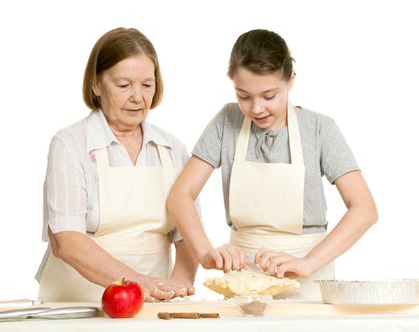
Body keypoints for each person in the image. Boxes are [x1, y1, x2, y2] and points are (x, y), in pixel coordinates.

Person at [167, 29, 378, 300]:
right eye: (243, 96)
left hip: (308, 283)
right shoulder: (226, 122)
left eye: (269, 96)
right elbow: (180, 196)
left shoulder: (319, 129)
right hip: (243, 282)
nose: (256, 108)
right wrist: (206, 253)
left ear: (291, 79)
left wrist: (308, 263)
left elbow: (365, 209)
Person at [36, 27, 199, 302]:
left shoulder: (173, 149)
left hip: (152, 305)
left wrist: (178, 285)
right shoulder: (70, 144)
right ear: (96, 85)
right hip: (79, 302)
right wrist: (137, 282)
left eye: (147, 84)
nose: (138, 96)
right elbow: (66, 239)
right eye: (123, 85)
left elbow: (188, 236)